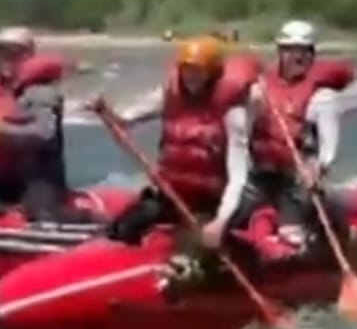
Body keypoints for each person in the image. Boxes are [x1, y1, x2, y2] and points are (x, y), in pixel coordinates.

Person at [89, 35, 257, 250]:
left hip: (211, 202)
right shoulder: (169, 96)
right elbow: (125, 119)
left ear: (213, 73)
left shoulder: (232, 114)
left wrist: (220, 222)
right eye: (187, 69)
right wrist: (105, 111)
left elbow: (238, 178)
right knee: (123, 228)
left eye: (198, 71)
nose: (191, 77)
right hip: (173, 194)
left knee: (197, 247)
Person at [236, 19, 356, 261]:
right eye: (291, 50)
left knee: (291, 229)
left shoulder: (322, 97)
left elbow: (328, 146)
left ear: (312, 55)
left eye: (303, 51)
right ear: (280, 53)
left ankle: (298, 245)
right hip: (262, 174)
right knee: (230, 212)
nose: (297, 57)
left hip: (297, 178)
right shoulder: (260, 89)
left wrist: (318, 168)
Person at [0, 26, 72, 222]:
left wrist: (2, 131)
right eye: (2, 52)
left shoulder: (39, 91)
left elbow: (45, 133)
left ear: (29, 57)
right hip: (5, 185)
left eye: (15, 53)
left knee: (42, 217)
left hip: (39, 181)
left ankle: (97, 222)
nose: (7, 59)